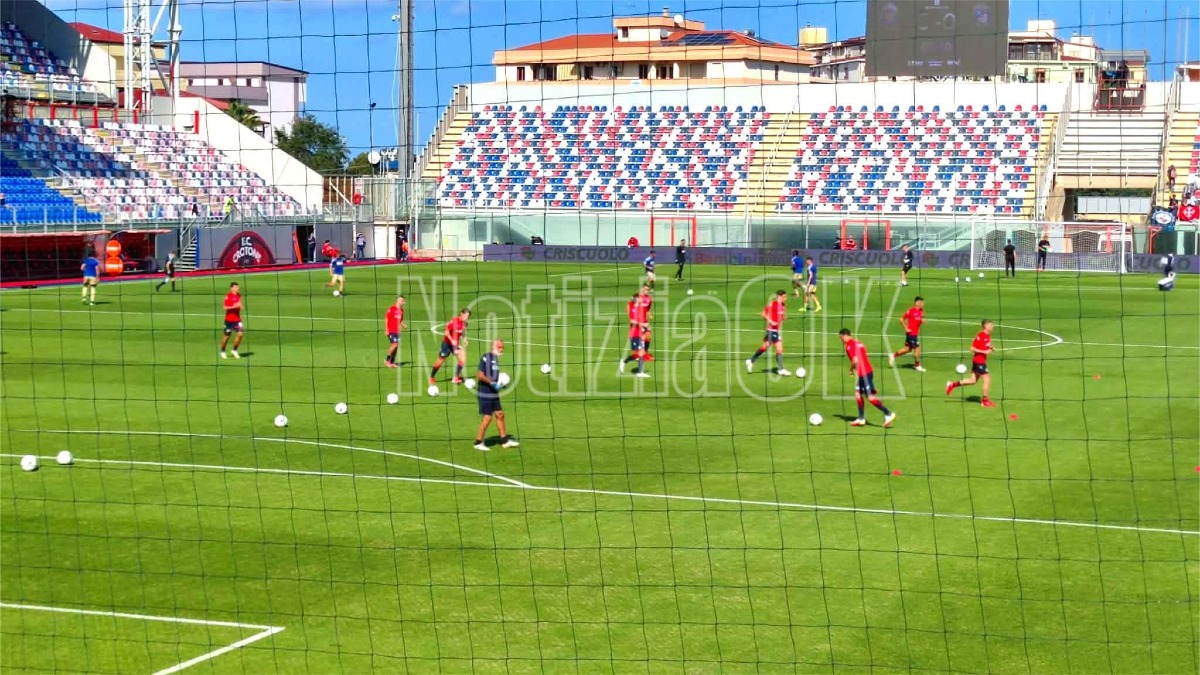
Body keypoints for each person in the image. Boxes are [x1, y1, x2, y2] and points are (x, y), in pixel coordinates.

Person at [840, 328, 896, 427]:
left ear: (844, 336)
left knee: (870, 397)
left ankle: (888, 414)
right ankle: (861, 418)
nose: (840, 340)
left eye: (840, 338)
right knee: (857, 393)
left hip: (865, 374)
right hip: (865, 372)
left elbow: (855, 360)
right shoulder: (858, 343)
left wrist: (851, 369)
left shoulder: (849, 346)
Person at [474, 338, 520, 451]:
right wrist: (493, 383)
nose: (501, 349)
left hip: (493, 391)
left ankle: (504, 441)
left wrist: (501, 384)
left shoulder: (495, 359)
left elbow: (494, 376)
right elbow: (480, 375)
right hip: (485, 391)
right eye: (499, 347)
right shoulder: (487, 357)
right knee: (488, 417)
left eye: (502, 347)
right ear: (493, 347)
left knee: (500, 414)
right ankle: (478, 442)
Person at [946, 319, 995, 407]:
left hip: (980, 361)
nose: (993, 326)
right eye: (991, 325)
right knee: (987, 379)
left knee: (973, 381)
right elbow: (972, 349)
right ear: (986, 326)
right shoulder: (981, 335)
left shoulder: (988, 336)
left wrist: (990, 348)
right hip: (978, 362)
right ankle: (984, 401)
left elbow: (985, 347)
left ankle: (952, 385)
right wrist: (984, 352)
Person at [745, 290, 790, 376]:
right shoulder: (773, 304)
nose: (786, 299)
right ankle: (781, 369)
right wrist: (770, 321)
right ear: (779, 297)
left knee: (764, 347)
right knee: (779, 349)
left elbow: (782, 315)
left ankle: (750, 361)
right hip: (771, 330)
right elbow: (763, 313)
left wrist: (784, 318)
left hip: (776, 330)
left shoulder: (783, 305)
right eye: (784, 297)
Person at [430, 308, 470, 384]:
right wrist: (452, 340)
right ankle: (432, 377)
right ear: (461, 314)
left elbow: (462, 332)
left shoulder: (464, 324)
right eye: (465, 315)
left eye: (468, 316)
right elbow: (446, 332)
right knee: (441, 360)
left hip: (455, 345)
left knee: (462, 358)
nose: (466, 317)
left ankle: (455, 378)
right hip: (447, 343)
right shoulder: (454, 321)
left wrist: (465, 339)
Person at [889, 296, 926, 372]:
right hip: (911, 334)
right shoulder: (911, 311)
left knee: (908, 349)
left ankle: (893, 356)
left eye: (923, 302)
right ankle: (917, 366)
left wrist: (921, 321)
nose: (922, 304)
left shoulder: (921, 311)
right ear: (916, 303)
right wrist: (906, 328)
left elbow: (919, 321)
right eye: (921, 302)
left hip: (915, 334)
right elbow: (901, 319)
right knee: (917, 349)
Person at [618, 293, 650, 377]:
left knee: (641, 353)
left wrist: (646, 327)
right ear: (636, 299)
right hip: (634, 335)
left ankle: (640, 372)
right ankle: (624, 361)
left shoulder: (640, 309)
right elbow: (632, 321)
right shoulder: (633, 309)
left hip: (640, 334)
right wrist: (642, 325)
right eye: (639, 298)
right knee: (638, 354)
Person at [219, 282, 244, 359]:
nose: (238, 289)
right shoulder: (228, 296)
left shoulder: (239, 295)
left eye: (238, 287)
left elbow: (239, 304)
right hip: (229, 320)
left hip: (237, 320)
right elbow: (225, 307)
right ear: (232, 288)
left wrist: (240, 306)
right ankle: (222, 351)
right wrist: (233, 306)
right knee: (227, 336)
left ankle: (234, 350)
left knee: (240, 334)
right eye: (236, 287)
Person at [384, 295, 407, 368]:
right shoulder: (392, 309)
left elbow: (401, 320)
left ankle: (392, 362)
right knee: (394, 345)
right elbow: (386, 319)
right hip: (391, 330)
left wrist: (404, 325)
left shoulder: (401, 310)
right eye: (403, 301)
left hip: (397, 331)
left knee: (396, 347)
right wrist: (386, 329)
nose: (404, 302)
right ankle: (387, 360)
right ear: (399, 301)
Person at [636, 284, 655, 360]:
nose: (647, 291)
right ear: (642, 289)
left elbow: (648, 308)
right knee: (642, 337)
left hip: (645, 320)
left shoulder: (649, 299)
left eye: (648, 289)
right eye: (646, 289)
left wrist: (649, 314)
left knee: (648, 337)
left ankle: (645, 352)